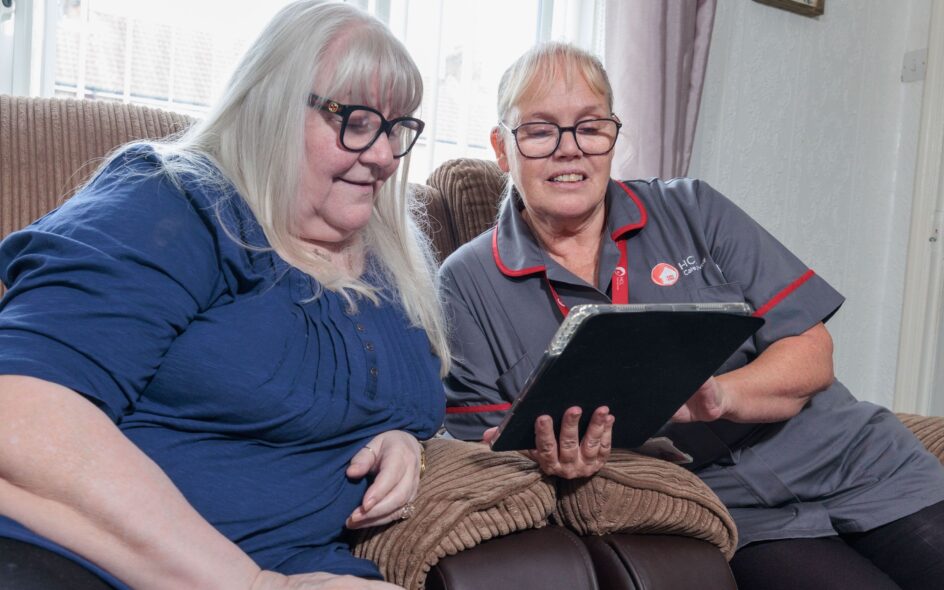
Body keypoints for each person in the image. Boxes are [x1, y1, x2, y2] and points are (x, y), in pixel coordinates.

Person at [440, 41, 944, 590]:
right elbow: (481, 447)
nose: (570, 150)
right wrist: (547, 464)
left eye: (590, 126)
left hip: (858, 461)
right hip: (734, 513)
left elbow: (812, 353)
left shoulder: (694, 209)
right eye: (539, 130)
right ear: (501, 147)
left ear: (613, 136)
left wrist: (717, 396)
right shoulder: (466, 282)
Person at [0, 2, 448, 589]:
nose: (386, 155)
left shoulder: (395, 262)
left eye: (397, 127)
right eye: (357, 120)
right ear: (272, 106)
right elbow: (21, 414)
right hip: (87, 564)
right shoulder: (173, 200)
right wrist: (254, 584)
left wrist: (402, 443)